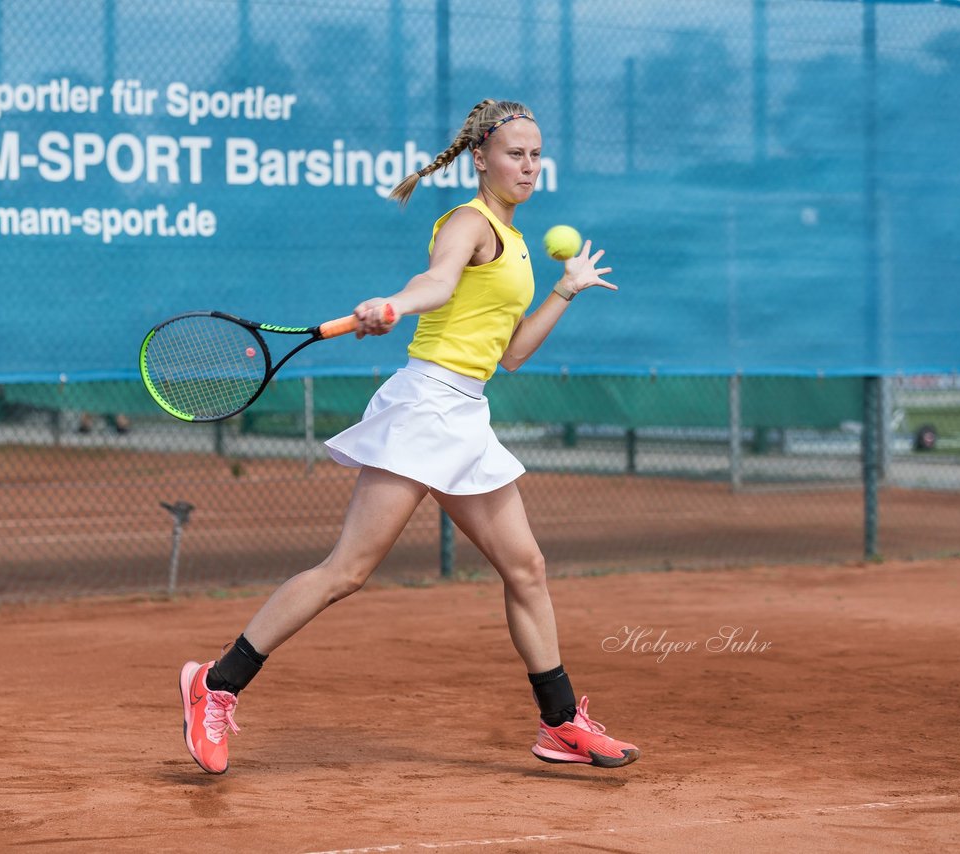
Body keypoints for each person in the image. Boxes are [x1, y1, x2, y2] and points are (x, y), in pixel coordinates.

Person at [179, 99, 638, 774]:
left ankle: (561, 723)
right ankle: (213, 686)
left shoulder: (515, 246)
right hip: (426, 406)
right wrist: (397, 302)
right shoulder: (468, 223)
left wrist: (565, 291)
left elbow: (509, 356)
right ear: (481, 157)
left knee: (526, 568)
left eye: (537, 154)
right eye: (516, 153)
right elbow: (438, 280)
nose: (529, 166)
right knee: (347, 571)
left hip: (466, 413)